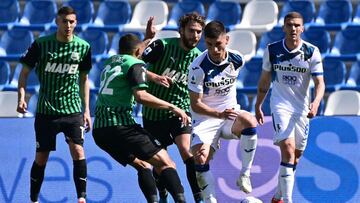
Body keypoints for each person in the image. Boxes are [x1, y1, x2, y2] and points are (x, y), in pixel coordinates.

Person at [92, 33, 189, 203]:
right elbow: (141, 96)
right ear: (138, 51)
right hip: (121, 125)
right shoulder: (135, 63)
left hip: (100, 130)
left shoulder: (111, 61)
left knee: (143, 165)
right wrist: (173, 107)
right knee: (166, 163)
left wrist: (147, 39)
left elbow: (134, 57)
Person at [17, 6, 92, 203]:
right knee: (42, 157)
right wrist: (21, 97)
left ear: (76, 23)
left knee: (78, 151)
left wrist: (86, 110)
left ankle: (81, 197)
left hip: (73, 110)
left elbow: (84, 79)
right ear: (57, 21)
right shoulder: (41, 45)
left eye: (72, 21)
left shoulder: (83, 47)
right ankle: (33, 198)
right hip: (46, 111)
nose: (68, 25)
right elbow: (24, 73)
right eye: (65, 21)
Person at [254, 12, 325, 203]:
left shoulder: (311, 52)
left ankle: (277, 197)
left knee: (296, 157)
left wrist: (316, 102)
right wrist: (258, 105)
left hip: (302, 109)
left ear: (302, 28)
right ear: (284, 27)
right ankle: (288, 199)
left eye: (296, 25)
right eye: (289, 25)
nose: (293, 29)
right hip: (280, 105)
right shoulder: (272, 50)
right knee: (288, 149)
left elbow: (320, 83)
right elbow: (264, 81)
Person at [188, 20, 258, 203]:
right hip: (205, 119)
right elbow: (195, 105)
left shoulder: (237, 59)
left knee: (250, 121)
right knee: (201, 159)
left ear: (226, 40)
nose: (214, 50)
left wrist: (224, 114)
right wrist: (218, 114)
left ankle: (244, 174)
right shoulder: (197, 67)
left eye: (218, 44)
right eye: (209, 45)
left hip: (229, 115)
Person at [141, 12, 206, 203]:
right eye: (191, 31)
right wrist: (147, 40)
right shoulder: (162, 46)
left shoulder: (199, 59)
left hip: (181, 112)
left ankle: (199, 198)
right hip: (154, 113)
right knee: (160, 162)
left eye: (199, 32)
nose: (195, 36)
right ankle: (162, 194)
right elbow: (134, 65)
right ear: (181, 31)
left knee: (187, 151)